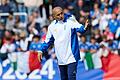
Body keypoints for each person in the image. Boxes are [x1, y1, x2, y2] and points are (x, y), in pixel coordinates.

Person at [37, 7, 89, 80]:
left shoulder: (70, 19)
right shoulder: (51, 26)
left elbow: (79, 28)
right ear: (54, 16)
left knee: (71, 78)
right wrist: (41, 50)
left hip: (72, 57)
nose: (61, 15)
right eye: (58, 15)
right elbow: (47, 41)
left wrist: (84, 28)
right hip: (61, 58)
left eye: (62, 13)